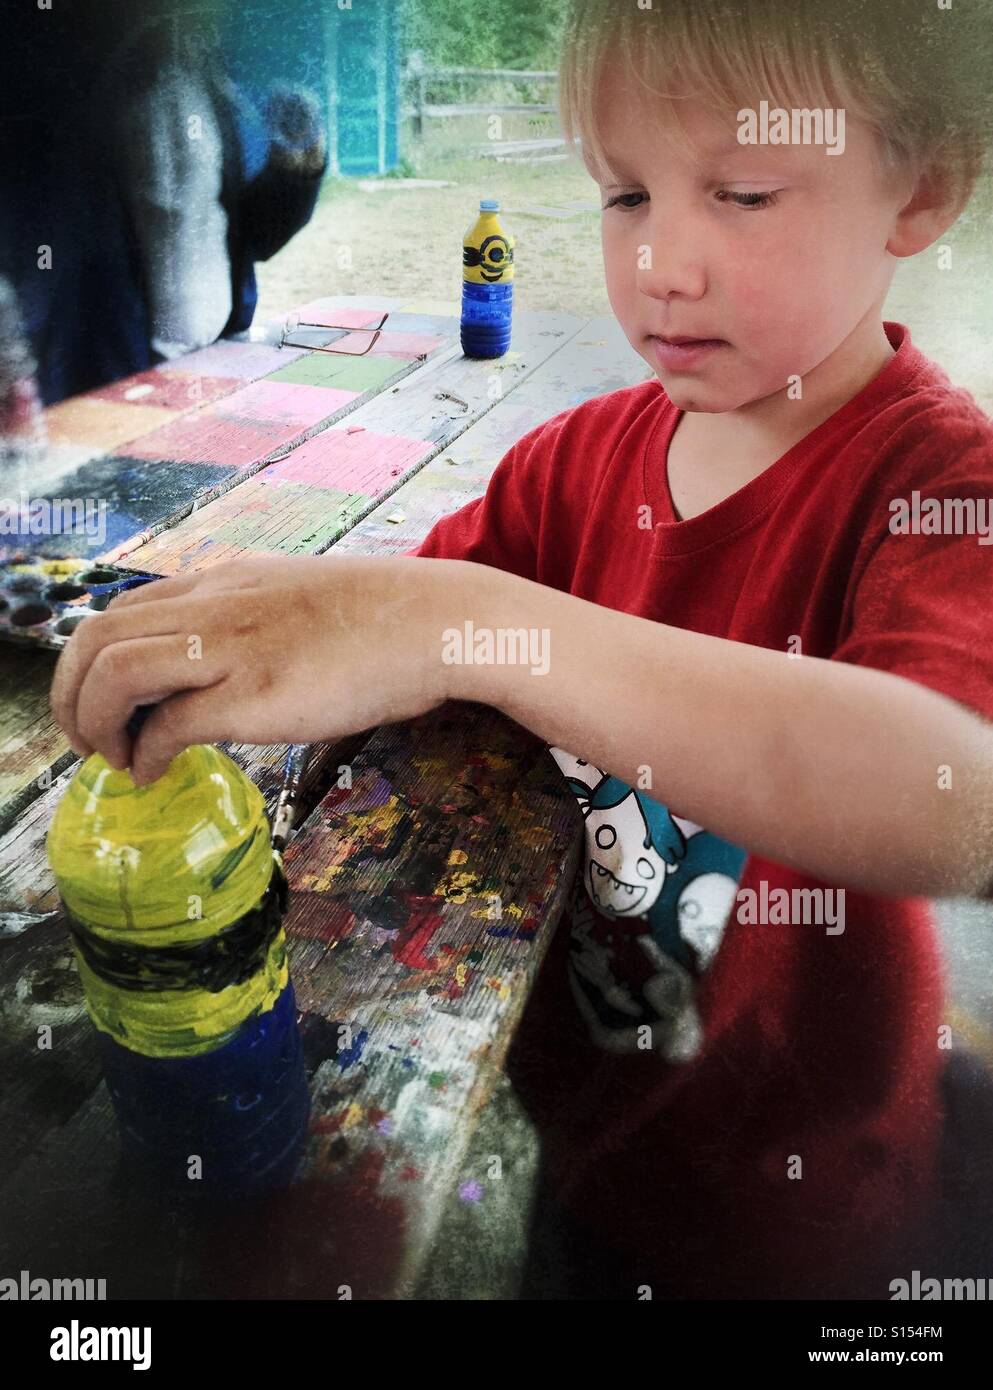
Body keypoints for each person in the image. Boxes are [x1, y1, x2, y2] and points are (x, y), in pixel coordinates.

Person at [50, 0, 993, 1299]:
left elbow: (958, 796)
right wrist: (326, 632)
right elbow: (389, 634)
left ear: (919, 188)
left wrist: (460, 627)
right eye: (624, 195)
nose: (660, 258)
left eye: (742, 191)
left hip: (805, 1213)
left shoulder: (936, 484)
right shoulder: (574, 466)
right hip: (585, 1145)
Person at [0, 3, 326, 404]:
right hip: (113, 383)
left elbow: (245, 238)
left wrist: (296, 169)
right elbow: (44, 246)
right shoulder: (68, 77)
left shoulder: (210, 82)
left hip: (214, 361)